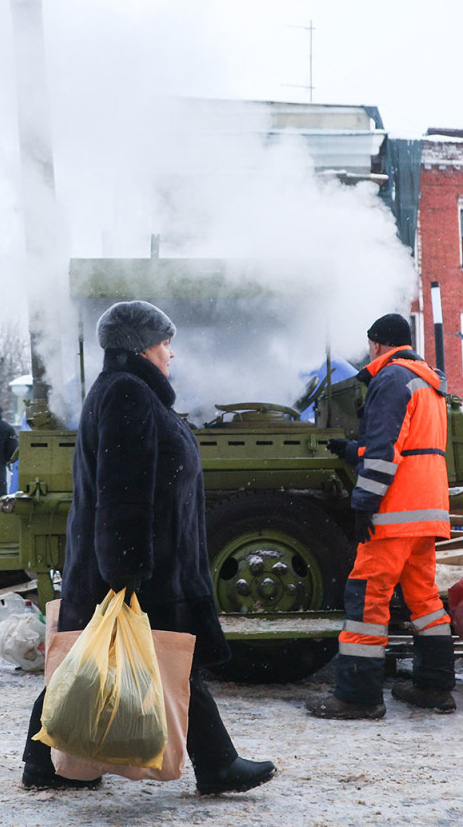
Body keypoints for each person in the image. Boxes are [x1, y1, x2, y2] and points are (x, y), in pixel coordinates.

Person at [22, 300, 276, 796]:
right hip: (140, 565)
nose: (171, 353)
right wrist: (127, 570)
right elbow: (125, 488)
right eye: (165, 342)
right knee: (160, 661)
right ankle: (217, 763)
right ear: (141, 346)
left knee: (100, 661)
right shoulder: (127, 395)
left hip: (139, 562)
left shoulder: (128, 392)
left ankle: (45, 763)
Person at [306, 312, 456, 719]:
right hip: (427, 511)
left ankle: (358, 697)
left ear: (375, 344)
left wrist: (363, 504)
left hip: (395, 513)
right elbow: (413, 448)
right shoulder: (426, 382)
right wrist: (355, 450)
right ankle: (435, 687)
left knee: (368, 597)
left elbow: (386, 452)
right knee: (423, 598)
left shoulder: (390, 379)